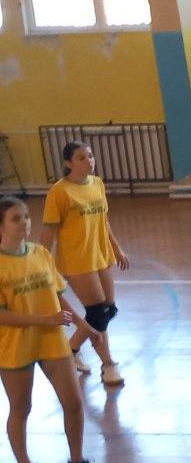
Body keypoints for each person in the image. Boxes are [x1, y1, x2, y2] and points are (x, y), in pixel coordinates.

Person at [0, 197, 106, 463]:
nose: (25, 222)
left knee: (74, 402)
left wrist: (84, 325)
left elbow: (56, 296)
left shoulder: (40, 254)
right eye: (15, 218)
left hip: (51, 341)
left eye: (26, 216)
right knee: (21, 407)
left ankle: (77, 460)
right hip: (15, 347)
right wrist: (45, 320)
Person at [41, 142, 127, 386]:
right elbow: (48, 232)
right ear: (68, 163)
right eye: (81, 157)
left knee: (109, 309)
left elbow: (103, 220)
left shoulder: (97, 183)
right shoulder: (59, 192)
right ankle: (108, 364)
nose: (89, 161)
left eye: (90, 156)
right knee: (98, 312)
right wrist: (41, 264)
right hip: (77, 259)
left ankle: (71, 349)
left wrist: (116, 248)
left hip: (101, 254)